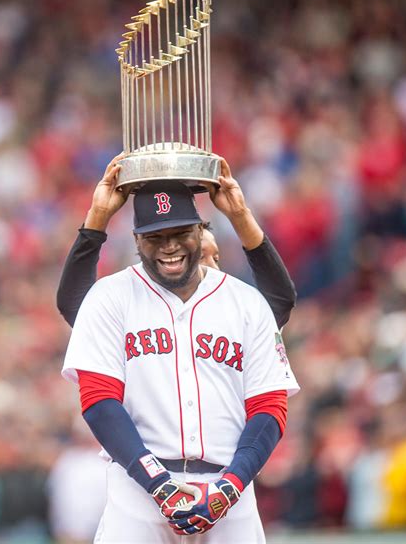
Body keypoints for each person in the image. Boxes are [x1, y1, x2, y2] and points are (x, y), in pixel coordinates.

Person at [61, 177, 300, 543]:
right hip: (136, 492)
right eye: (155, 236)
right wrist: (157, 483)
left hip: (230, 490)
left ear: (201, 231)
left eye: (181, 232)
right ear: (137, 240)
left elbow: (269, 405)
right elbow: (98, 401)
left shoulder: (246, 302)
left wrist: (230, 486)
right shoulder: (110, 297)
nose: (169, 246)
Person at [57, 154, 296, 330]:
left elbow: (279, 302)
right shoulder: (127, 303)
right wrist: (98, 216)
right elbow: (75, 306)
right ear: (138, 243)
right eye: (202, 257)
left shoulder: (232, 304)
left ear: (198, 232)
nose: (212, 268)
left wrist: (240, 216)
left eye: (216, 258)